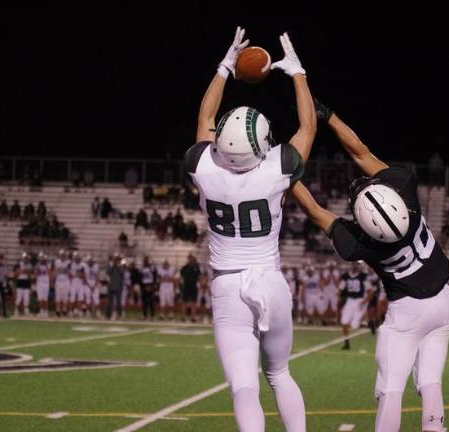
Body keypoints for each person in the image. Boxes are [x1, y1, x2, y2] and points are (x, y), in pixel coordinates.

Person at [291, 99, 449, 432]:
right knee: (430, 381)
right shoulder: (406, 190)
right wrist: (331, 117)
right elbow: (361, 153)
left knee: (391, 388)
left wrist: (284, 176)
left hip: (408, 311)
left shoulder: (360, 243)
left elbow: (315, 211)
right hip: (445, 301)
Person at [184, 27, 314, 432]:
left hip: (227, 286)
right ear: (262, 145)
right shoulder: (275, 169)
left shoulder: (202, 167)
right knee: (279, 375)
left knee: (244, 388)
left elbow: (205, 117)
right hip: (269, 281)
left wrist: (225, 67)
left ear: (221, 142)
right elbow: (308, 128)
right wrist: (297, 74)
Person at [339, 261, 374, 349]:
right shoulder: (345, 276)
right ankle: (346, 343)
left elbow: (370, 292)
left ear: (359, 266)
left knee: (354, 326)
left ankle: (369, 322)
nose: (355, 266)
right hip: (349, 301)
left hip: (359, 301)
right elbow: (340, 289)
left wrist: (364, 302)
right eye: (353, 264)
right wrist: (340, 297)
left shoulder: (363, 277)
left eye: (356, 264)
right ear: (350, 265)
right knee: (344, 322)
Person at [179, 254, 201, 322]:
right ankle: (183, 317)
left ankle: (193, 317)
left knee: (193, 302)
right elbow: (181, 277)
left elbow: (199, 277)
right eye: (189, 258)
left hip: (193, 286)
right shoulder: (184, 268)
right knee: (184, 302)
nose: (190, 260)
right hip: (186, 286)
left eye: (191, 258)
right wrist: (180, 286)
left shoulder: (196, 268)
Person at [53, 249, 71, 317]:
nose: (62, 256)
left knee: (65, 297)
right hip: (58, 281)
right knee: (58, 297)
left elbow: (69, 272)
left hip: (66, 281)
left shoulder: (68, 262)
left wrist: (66, 270)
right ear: (60, 255)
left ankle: (64, 310)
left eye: (63, 255)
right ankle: (57, 310)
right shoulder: (57, 262)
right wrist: (53, 279)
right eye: (61, 255)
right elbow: (55, 271)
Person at [106, 255, 124, 320]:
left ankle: (119, 314)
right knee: (109, 302)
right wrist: (113, 266)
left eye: (118, 260)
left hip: (118, 286)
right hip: (111, 286)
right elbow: (108, 272)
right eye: (116, 260)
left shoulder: (121, 266)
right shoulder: (111, 265)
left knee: (118, 302)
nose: (117, 261)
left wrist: (117, 266)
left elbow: (122, 274)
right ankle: (108, 315)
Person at [34, 253, 51, 318]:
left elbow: (50, 274)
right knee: (40, 298)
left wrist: (46, 267)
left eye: (43, 257)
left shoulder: (48, 265)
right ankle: (41, 311)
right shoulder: (37, 265)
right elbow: (35, 274)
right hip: (39, 282)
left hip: (46, 283)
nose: (42, 259)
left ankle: (46, 312)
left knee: (45, 298)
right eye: (41, 258)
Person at [140, 256, 157, 321]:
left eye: (147, 260)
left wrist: (152, 285)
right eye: (145, 260)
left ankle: (152, 316)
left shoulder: (152, 267)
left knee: (151, 302)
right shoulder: (142, 267)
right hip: (144, 285)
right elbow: (140, 277)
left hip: (150, 284)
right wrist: (143, 286)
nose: (146, 261)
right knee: (144, 302)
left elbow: (155, 275)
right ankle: (145, 316)